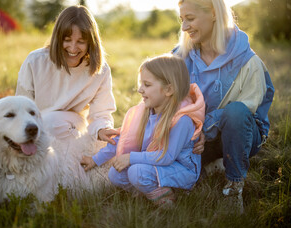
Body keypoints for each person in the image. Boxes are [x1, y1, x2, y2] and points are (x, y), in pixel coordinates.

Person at [174, 0, 274, 212]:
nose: (184, 27)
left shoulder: (247, 61)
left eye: (190, 19)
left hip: (242, 135)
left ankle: (234, 187)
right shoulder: (179, 58)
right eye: (182, 20)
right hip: (197, 138)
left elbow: (247, 110)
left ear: (213, 13)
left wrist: (205, 128)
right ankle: (201, 169)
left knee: (236, 112)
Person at [81, 54, 205, 205]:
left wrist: (131, 158)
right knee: (115, 174)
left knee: (136, 171)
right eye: (141, 84)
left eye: (147, 85)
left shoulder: (182, 120)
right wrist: (95, 160)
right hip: (156, 165)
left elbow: (167, 157)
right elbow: (121, 140)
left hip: (181, 171)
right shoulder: (146, 111)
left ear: (168, 89)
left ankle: (167, 197)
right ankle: (147, 190)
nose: (140, 90)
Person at [16, 5, 118, 145]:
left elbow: (101, 113)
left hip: (74, 127)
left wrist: (102, 129)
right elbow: (21, 106)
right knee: (47, 124)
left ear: (91, 43)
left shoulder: (100, 70)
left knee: (53, 124)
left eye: (81, 42)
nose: (73, 48)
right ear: (58, 38)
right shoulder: (36, 61)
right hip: (36, 127)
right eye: (67, 40)